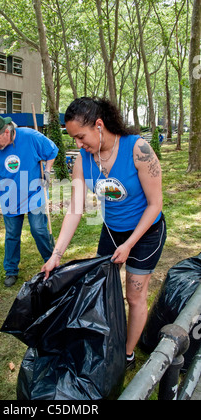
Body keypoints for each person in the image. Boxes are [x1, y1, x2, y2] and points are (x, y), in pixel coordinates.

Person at [42, 97, 166, 370]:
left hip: (146, 233)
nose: (78, 144)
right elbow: (75, 208)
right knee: (103, 290)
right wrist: (56, 254)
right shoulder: (82, 160)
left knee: (134, 296)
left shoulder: (138, 149)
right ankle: (107, 342)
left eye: (80, 136)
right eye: (73, 138)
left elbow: (155, 203)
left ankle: (127, 354)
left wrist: (131, 244)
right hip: (112, 232)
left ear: (99, 126)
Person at [0, 113, 58, 287]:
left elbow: (52, 150)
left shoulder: (31, 137)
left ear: (7, 132)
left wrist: (47, 171)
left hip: (33, 192)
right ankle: (10, 270)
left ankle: (52, 261)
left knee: (39, 229)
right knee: (12, 235)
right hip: (10, 196)